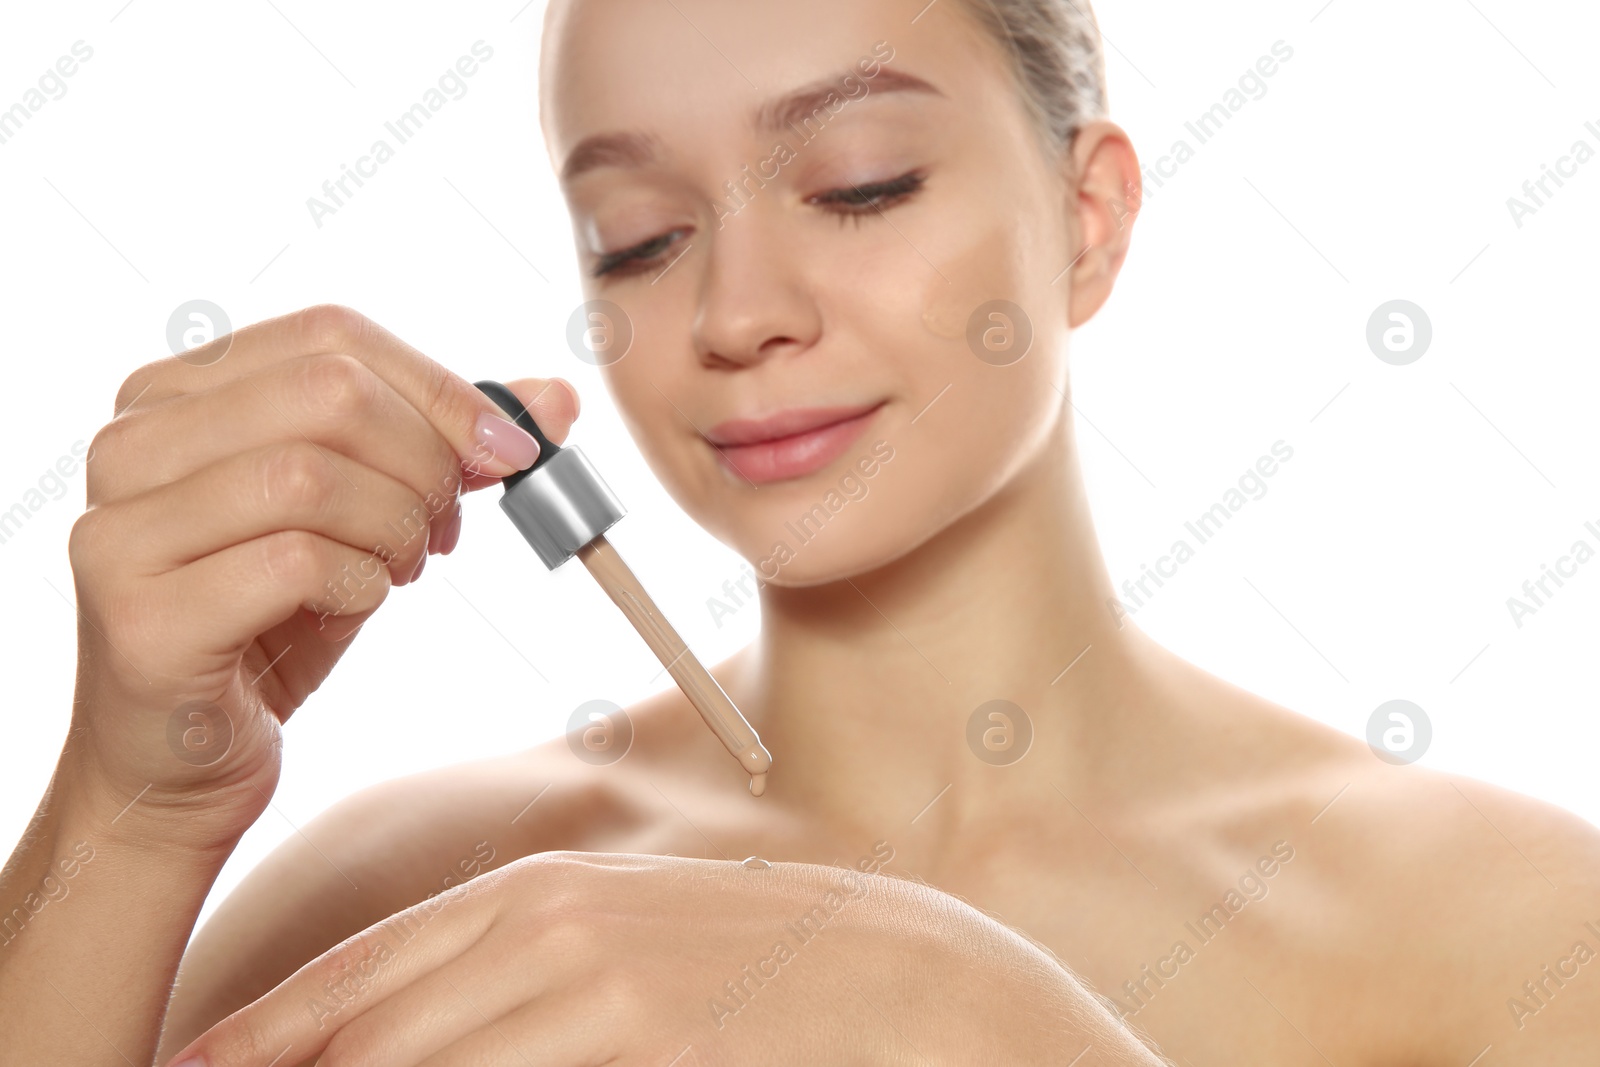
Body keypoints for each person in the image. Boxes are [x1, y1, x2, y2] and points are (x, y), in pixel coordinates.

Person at [3, 0, 1597, 1064]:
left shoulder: (1518, 932)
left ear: (1086, 220)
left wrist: (1004, 1032)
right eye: (642, 237)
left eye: (858, 184)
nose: (737, 312)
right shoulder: (398, 898)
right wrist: (128, 817)